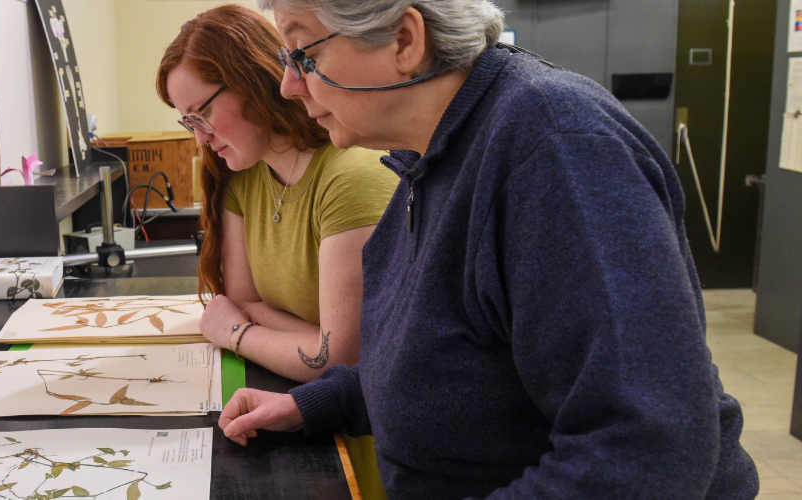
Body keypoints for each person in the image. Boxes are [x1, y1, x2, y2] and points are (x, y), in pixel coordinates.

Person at [219, 0, 761, 498]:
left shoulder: (555, 146)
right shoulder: (429, 158)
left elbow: (647, 447)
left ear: (404, 40)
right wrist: (313, 404)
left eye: (303, 54)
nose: (289, 85)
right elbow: (440, 363)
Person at [156, 5, 397, 498]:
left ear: (254, 78)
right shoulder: (245, 175)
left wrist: (237, 333)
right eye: (188, 121)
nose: (200, 136)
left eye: (203, 113)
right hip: (296, 410)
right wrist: (302, 337)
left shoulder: (351, 174)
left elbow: (339, 357)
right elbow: (248, 301)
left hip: (361, 441)